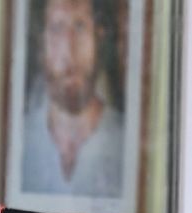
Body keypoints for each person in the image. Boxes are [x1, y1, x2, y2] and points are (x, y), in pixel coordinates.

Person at [21, 0, 126, 198]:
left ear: (99, 36)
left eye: (80, 26)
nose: (69, 49)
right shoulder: (19, 142)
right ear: (42, 43)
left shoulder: (125, 144)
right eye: (57, 28)